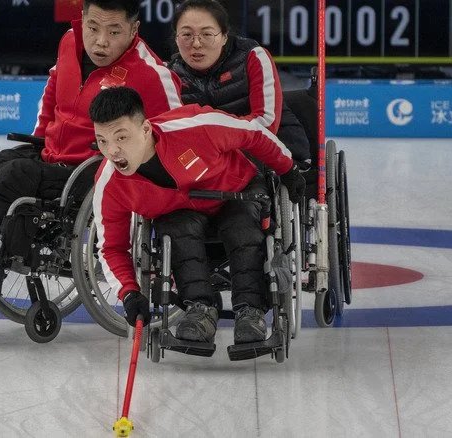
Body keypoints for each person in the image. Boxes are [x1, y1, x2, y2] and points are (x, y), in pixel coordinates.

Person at [0, 0, 183, 292]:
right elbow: (53, 92)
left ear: (134, 29)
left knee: (10, 177)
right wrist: (41, 139)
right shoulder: (69, 42)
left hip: (96, 169)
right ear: (83, 20)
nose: (101, 42)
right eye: (93, 28)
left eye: (114, 32)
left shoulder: (150, 73)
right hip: (52, 154)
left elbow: (176, 130)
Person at [89, 86, 305, 345]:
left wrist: (287, 168)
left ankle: (251, 311)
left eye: (121, 138)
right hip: (183, 217)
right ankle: (199, 310)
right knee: (176, 229)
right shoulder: (109, 183)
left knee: (241, 223)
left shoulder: (193, 127)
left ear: (145, 129)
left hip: (237, 193)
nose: (112, 151)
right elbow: (111, 248)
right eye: (102, 141)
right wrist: (129, 292)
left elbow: (254, 133)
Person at [166, 0, 310, 164]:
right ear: (176, 39)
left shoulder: (253, 57)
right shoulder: (170, 74)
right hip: (210, 159)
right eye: (186, 35)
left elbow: (266, 124)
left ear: (224, 36)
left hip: (274, 149)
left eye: (207, 34)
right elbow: (173, 131)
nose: (196, 44)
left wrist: (214, 140)